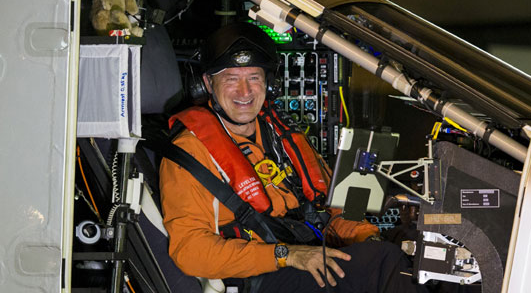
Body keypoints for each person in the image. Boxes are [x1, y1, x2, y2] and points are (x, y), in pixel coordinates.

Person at [159, 22, 424, 292]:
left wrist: (369, 237)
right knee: (384, 263)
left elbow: (334, 210)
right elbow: (190, 252)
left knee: (420, 254)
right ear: (207, 83)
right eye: (231, 79)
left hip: (311, 255)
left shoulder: (282, 135)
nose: (244, 91)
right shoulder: (191, 152)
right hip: (260, 275)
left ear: (268, 83)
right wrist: (286, 255)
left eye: (254, 77)